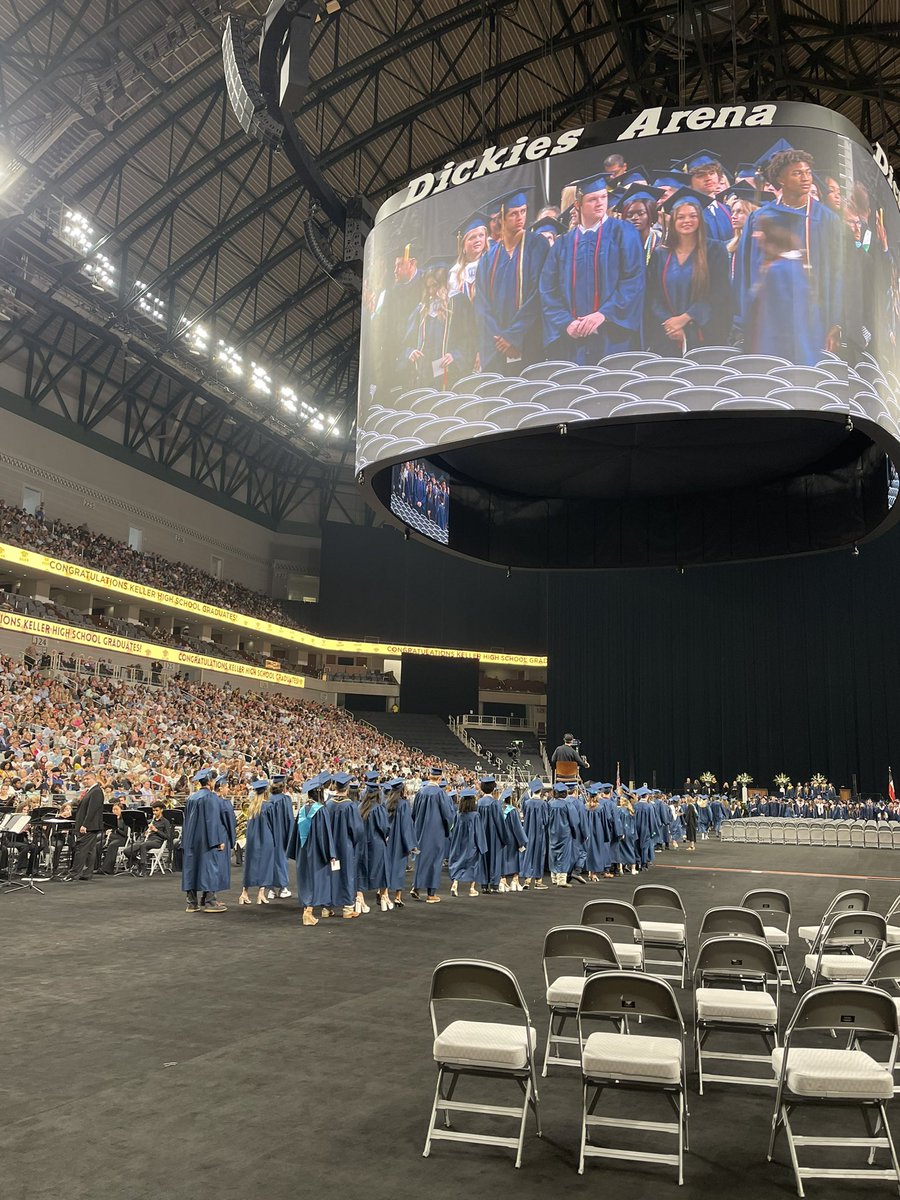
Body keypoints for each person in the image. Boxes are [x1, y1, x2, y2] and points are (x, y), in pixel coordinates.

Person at [736, 147, 847, 354]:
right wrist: (745, 317)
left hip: (813, 316)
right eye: (797, 173)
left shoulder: (827, 219)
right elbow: (745, 270)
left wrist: (836, 320)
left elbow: (837, 272)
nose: (806, 178)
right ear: (781, 179)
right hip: (768, 318)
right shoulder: (759, 218)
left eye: (808, 172)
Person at [540, 172, 645, 364]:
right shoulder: (562, 244)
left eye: (604, 197)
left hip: (613, 336)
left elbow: (633, 281)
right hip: (573, 340)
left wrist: (603, 314)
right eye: (592, 199)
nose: (600, 203)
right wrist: (566, 322)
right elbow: (548, 290)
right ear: (578, 205)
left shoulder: (624, 232)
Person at [474, 186, 550, 371]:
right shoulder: (488, 258)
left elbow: (538, 294)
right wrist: (500, 338)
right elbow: (481, 304)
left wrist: (513, 336)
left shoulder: (537, 245)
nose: (521, 218)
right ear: (501, 218)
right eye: (514, 214)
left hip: (527, 339)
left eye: (523, 211)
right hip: (497, 346)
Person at [646, 187, 730, 353]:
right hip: (667, 334)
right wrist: (670, 323)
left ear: (700, 219)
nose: (687, 221)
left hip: (705, 333)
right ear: (673, 221)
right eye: (681, 217)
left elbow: (720, 292)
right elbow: (652, 295)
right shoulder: (660, 254)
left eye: (693, 216)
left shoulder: (715, 250)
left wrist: (686, 318)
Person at [744, 214, 817, 365]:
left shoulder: (778, 270)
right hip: (798, 351)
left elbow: (782, 318)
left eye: (759, 230)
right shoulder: (795, 265)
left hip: (777, 353)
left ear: (771, 235)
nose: (755, 235)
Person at [403, 257, 477, 388]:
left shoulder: (458, 303)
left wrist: (456, 355)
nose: (431, 291)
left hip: (451, 374)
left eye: (435, 285)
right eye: (428, 286)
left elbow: (470, 338)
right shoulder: (421, 310)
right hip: (424, 376)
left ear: (444, 282)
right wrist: (410, 352)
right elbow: (406, 343)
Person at [181, 767, 232, 913]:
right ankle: (210, 902)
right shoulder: (211, 798)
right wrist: (217, 840)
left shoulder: (191, 798)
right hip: (206, 840)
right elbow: (212, 821)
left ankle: (192, 903)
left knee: (192, 868)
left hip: (191, 839)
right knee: (209, 868)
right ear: (210, 782)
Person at [289, 773, 336, 927]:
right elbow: (325, 835)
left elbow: (295, 834)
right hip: (316, 852)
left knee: (305, 880)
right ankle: (308, 913)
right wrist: (330, 854)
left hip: (303, 851)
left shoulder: (303, 809)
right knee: (316, 880)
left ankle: (308, 910)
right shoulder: (321, 810)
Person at [410, 766, 452, 903]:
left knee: (421, 859)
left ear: (429, 777)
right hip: (436, 832)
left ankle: (416, 887)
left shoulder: (420, 792)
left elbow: (414, 813)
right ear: (439, 778)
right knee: (434, 861)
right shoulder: (440, 793)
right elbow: (446, 815)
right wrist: (447, 830)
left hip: (420, 831)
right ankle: (431, 894)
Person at [326, 772, 365, 919]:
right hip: (345, 846)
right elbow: (357, 830)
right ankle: (347, 908)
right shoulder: (350, 806)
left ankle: (327, 907)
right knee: (347, 874)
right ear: (347, 788)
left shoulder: (328, 804)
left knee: (330, 874)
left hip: (330, 847)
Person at [676, 149, 734, 241]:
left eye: (712, 173)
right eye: (701, 175)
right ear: (689, 181)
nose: (708, 178)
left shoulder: (726, 209)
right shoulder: (689, 213)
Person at [239, 779, 278, 906]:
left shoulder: (251, 807)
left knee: (250, 865)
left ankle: (244, 893)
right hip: (266, 838)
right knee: (265, 865)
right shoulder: (269, 806)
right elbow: (273, 825)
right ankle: (261, 894)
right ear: (266, 791)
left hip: (252, 839)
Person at [63, 769, 104, 881]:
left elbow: (92, 810)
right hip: (89, 825)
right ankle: (86, 873)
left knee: (80, 848)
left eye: (87, 779)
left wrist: (85, 824)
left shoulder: (96, 791)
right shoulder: (90, 791)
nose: (85, 781)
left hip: (89, 826)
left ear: (94, 779)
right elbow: (84, 809)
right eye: (84, 779)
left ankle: (74, 874)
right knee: (90, 850)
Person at [358, 778, 391, 912]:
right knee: (382, 870)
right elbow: (384, 827)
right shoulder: (378, 808)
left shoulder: (359, 808)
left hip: (361, 843)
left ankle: (360, 899)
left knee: (360, 870)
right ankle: (384, 897)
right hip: (377, 843)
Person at [448, 786, 486, 897]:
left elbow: (453, 830)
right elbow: (479, 832)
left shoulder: (458, 815)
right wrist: (482, 846)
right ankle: (471, 889)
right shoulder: (475, 816)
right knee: (473, 865)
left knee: (457, 863)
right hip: (471, 844)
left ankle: (455, 884)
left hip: (459, 844)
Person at [385, 776, 416, 908]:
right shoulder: (404, 804)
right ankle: (397, 897)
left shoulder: (386, 803)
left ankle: (384, 894)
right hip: (398, 842)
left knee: (387, 867)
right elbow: (406, 826)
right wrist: (411, 845)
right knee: (398, 869)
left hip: (387, 840)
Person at [123, 801, 171, 876]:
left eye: (156, 810)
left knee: (143, 845)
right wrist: (145, 832)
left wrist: (156, 830)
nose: (154, 812)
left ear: (161, 810)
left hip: (157, 841)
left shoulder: (165, 822)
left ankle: (143, 869)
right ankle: (137, 862)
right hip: (145, 839)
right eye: (153, 810)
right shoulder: (150, 821)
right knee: (127, 850)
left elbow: (167, 836)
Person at [520, 779, 549, 889]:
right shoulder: (543, 804)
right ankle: (538, 881)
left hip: (527, 832)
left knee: (528, 854)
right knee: (538, 855)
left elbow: (523, 816)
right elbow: (546, 820)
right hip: (539, 833)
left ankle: (527, 880)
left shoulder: (526, 803)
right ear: (540, 791)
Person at [547, 781, 577, 886]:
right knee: (564, 855)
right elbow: (573, 821)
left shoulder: (549, 803)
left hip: (552, 832)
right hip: (564, 833)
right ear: (564, 793)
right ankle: (561, 880)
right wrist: (575, 833)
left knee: (553, 854)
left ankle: (554, 878)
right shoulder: (567, 804)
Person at [499, 787, 528, 892]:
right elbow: (517, 828)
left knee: (502, 859)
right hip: (511, 839)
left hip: (501, 840)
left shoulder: (498, 809)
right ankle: (515, 881)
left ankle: (503, 881)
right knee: (514, 859)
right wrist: (522, 842)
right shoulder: (512, 811)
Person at [100, 800, 128, 874]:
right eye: (113, 809)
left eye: (116, 809)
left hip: (121, 839)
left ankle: (107, 869)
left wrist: (116, 829)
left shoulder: (124, 820)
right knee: (97, 845)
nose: (114, 811)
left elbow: (125, 834)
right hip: (112, 837)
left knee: (112, 845)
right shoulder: (111, 819)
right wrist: (107, 832)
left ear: (121, 810)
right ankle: (97, 867)